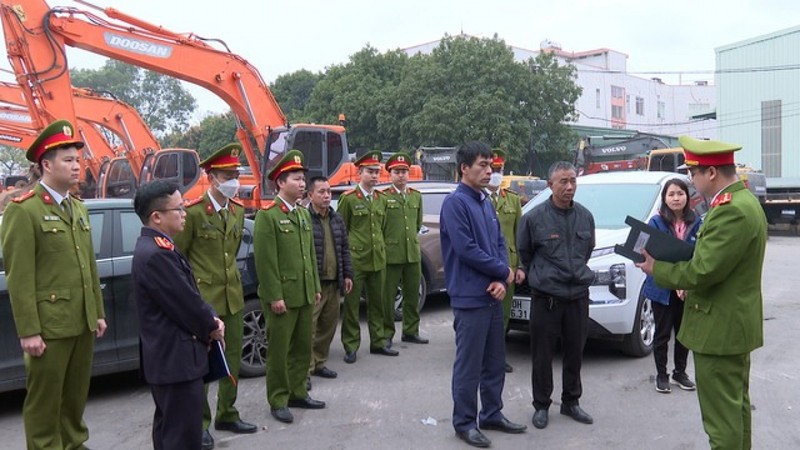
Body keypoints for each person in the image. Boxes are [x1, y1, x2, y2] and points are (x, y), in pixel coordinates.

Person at [637, 136, 767, 449]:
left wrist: (658, 269)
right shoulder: (742, 202)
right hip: (731, 326)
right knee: (735, 411)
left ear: (711, 173)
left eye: (693, 173)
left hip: (720, 330)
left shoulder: (730, 210)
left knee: (721, 423)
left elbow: (703, 271)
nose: (691, 181)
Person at [0, 119, 107, 449]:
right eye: (68, 160)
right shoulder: (24, 210)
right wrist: (28, 330)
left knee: (75, 395)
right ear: (46, 164)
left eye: (77, 159)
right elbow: (19, 276)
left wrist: (97, 313)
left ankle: (74, 443)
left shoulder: (78, 208)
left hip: (82, 319)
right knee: (45, 402)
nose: (77, 166)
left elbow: (88, 264)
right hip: (50, 325)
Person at [440, 141, 527, 448]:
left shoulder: (485, 201)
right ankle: (464, 422)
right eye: (482, 165)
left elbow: (500, 244)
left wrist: (503, 278)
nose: (489, 171)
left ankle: (492, 413)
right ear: (464, 168)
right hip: (469, 296)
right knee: (469, 364)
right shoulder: (456, 203)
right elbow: (467, 250)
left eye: (491, 165)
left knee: (494, 360)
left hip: (493, 293)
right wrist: (502, 272)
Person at [131, 179, 226, 450]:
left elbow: (188, 294)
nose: (185, 214)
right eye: (179, 209)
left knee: (169, 431)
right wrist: (212, 325)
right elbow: (185, 304)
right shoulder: (156, 254)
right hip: (176, 362)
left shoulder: (161, 247)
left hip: (172, 361)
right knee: (181, 437)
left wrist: (210, 316)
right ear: (157, 217)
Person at [173, 143, 257, 449]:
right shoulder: (193, 212)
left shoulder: (236, 211)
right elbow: (178, 258)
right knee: (205, 365)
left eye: (235, 173)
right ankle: (201, 423)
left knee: (231, 360)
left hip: (232, 295)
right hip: (204, 300)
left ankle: (228, 412)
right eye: (227, 174)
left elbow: (230, 254)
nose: (233, 179)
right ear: (212, 177)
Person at [517, 161, 596, 430]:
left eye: (573, 181)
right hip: (546, 298)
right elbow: (525, 254)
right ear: (550, 185)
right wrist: (544, 276)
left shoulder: (585, 216)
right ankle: (541, 405)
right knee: (542, 354)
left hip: (577, 297)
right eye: (563, 181)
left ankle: (571, 402)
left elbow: (587, 251)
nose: (569, 187)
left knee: (575, 352)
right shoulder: (534, 218)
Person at [254, 150, 324, 424]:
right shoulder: (268, 216)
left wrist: (315, 286)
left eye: (303, 178)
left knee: (302, 348)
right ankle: (279, 398)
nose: (302, 183)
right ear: (280, 183)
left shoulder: (303, 215)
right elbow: (265, 262)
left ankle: (298, 392)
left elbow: (310, 255)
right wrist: (274, 296)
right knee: (279, 352)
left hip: (305, 293)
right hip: (282, 298)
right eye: (296, 178)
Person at [642, 178, 701, 394]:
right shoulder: (655, 223)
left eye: (680, 193)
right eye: (671, 194)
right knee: (662, 334)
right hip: (661, 288)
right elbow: (645, 252)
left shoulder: (697, 222)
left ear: (687, 197)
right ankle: (661, 374)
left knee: (683, 334)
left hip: (687, 287)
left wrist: (684, 283)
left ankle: (680, 373)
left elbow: (699, 255)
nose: (676, 198)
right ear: (665, 198)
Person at [338, 150, 396, 362]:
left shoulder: (382, 199)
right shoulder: (349, 199)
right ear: (359, 172)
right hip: (356, 261)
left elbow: (383, 227)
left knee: (378, 303)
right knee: (352, 306)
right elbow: (342, 231)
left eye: (377, 172)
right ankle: (351, 345)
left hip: (378, 258)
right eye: (370, 171)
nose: (374, 176)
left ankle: (378, 341)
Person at [307, 176, 353, 383]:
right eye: (321, 192)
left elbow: (344, 248)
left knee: (328, 326)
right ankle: (305, 371)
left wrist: (347, 275)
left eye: (328, 192)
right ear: (310, 195)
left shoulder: (336, 218)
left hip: (334, 282)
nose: (327, 196)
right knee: (309, 329)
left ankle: (319, 363)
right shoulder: (305, 218)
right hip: (314, 283)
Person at [382, 152, 429, 345]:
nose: (401, 175)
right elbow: (381, 225)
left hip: (412, 252)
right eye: (397, 172)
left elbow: (417, 224)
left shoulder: (416, 196)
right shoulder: (384, 197)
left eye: (404, 171)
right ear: (390, 174)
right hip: (392, 254)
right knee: (388, 297)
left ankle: (411, 330)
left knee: (412, 294)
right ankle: (386, 334)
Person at [485, 149, 525, 373]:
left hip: (507, 265)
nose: (495, 174)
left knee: (504, 313)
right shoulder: (477, 197)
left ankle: (497, 356)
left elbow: (519, 235)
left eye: (499, 170)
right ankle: (482, 354)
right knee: (483, 311)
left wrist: (519, 266)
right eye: (493, 169)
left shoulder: (512, 199)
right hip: (483, 264)